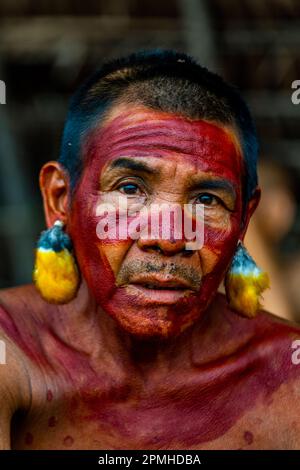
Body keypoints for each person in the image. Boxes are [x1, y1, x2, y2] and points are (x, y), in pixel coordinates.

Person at [0, 50, 300, 450]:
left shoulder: (287, 374)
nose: (169, 238)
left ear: (243, 222)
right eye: (130, 189)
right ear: (60, 199)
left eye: (207, 200)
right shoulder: (12, 348)